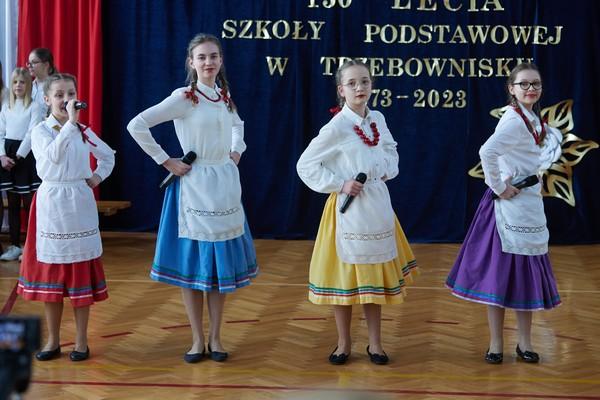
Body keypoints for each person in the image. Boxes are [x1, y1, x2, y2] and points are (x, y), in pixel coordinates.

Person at [127, 33, 258, 363]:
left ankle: (216, 337)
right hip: (194, 189)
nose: (208, 62)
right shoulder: (184, 98)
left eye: (213, 56)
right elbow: (137, 125)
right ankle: (197, 339)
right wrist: (166, 160)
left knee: (217, 269)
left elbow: (238, 126)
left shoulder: (224, 96)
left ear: (221, 60)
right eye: (202, 57)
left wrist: (236, 151)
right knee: (193, 267)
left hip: (223, 186)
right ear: (191, 62)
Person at [296, 59, 418, 365]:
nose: (359, 88)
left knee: (372, 277)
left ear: (371, 85)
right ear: (341, 90)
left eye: (364, 81)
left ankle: (375, 344)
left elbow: (390, 150)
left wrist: (386, 170)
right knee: (344, 280)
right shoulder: (336, 127)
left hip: (376, 206)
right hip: (347, 213)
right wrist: (341, 184)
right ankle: (343, 342)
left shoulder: (377, 119)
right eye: (351, 83)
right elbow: (305, 165)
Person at [446, 62, 561, 364]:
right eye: (524, 84)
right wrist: (499, 186)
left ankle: (524, 342)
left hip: (528, 204)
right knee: (498, 277)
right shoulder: (513, 120)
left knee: (525, 277)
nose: (531, 88)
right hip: (507, 209)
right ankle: (496, 343)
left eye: (535, 83)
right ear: (511, 88)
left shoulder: (531, 118)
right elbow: (487, 151)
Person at [17, 73, 115, 362]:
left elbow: (108, 155)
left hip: (79, 204)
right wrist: (71, 126)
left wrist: (97, 177)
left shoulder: (82, 130)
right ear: (47, 100)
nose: (66, 99)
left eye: (70, 94)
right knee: (52, 278)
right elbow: (51, 160)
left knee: (79, 275)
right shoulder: (40, 131)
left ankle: (81, 341)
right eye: (59, 95)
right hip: (52, 205)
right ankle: (53, 340)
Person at [0, 68, 44, 261]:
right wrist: (2, 156)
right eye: (15, 82)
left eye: (22, 82)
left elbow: (32, 132)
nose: (18, 85)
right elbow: (0, 133)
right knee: (13, 203)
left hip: (25, 157)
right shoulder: (6, 106)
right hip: (7, 158)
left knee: (29, 203)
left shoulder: (35, 106)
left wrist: (18, 157)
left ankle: (32, 246)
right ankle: (14, 245)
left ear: (28, 85)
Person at [27, 48, 57, 113]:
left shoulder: (55, 86)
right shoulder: (28, 86)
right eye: (29, 63)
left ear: (46, 64)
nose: (29, 66)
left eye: (34, 62)